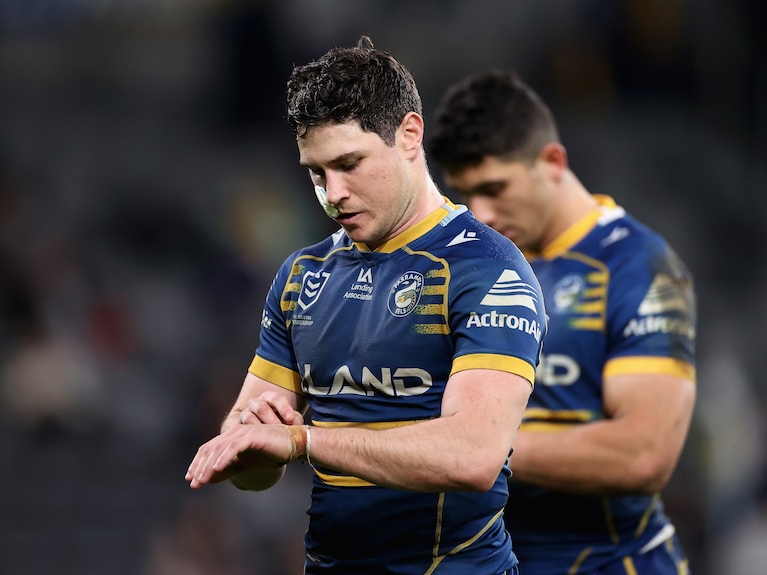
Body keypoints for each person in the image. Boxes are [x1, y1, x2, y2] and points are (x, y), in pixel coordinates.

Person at [185, 39, 547, 575]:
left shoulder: (487, 269)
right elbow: (255, 470)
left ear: (409, 135)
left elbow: (473, 456)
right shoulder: (301, 277)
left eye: (349, 164)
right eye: (315, 173)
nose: (333, 194)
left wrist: (305, 440)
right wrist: (251, 450)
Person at [428, 71, 697, 575]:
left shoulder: (638, 265)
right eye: (465, 194)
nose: (480, 213)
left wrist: (475, 448)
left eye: (494, 188)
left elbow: (644, 453)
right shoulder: (468, 267)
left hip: (612, 562)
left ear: (552, 162)